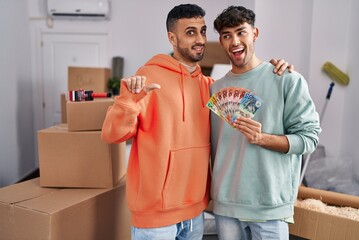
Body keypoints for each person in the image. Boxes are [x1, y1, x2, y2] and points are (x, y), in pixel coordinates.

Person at [101, 4, 292, 240]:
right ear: (172, 38)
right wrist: (129, 100)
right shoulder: (147, 78)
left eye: (202, 31)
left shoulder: (209, 87)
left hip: (194, 215)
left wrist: (274, 70)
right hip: (155, 217)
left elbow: (249, 91)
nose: (200, 39)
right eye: (190, 32)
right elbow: (111, 135)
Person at [209, 6, 322, 240]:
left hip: (269, 206)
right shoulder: (214, 89)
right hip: (225, 205)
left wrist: (263, 139)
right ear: (220, 41)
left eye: (241, 32)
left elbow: (309, 139)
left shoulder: (287, 80)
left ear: (255, 33)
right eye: (227, 35)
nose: (235, 41)